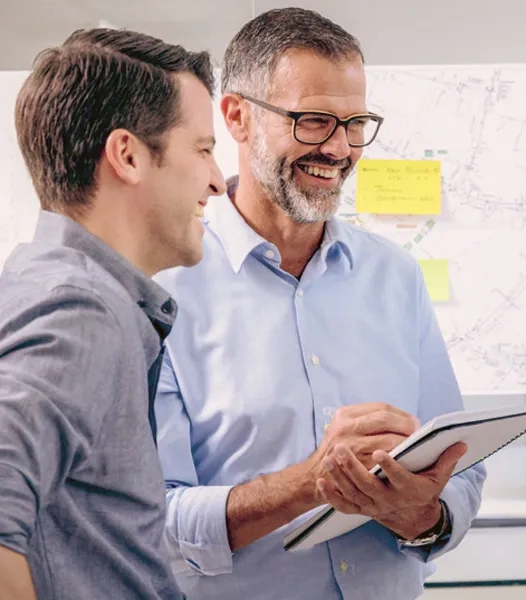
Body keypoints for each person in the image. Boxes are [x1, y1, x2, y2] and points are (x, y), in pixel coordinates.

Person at [151, 8, 485, 600]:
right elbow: (156, 518)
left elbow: (462, 468)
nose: (339, 149)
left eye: (356, 123)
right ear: (238, 117)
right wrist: (309, 484)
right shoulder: (165, 289)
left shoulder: (395, 276)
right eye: (313, 121)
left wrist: (423, 516)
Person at [0, 28, 224, 600]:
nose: (218, 180)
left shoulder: (43, 280)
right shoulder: (81, 310)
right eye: (202, 150)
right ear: (128, 155)